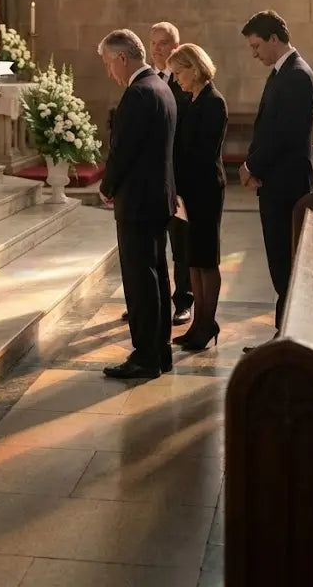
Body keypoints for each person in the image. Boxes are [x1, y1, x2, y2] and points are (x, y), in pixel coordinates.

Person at [98, 29, 177, 380]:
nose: (108, 73)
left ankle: (145, 356)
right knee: (156, 275)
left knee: (140, 280)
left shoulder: (138, 94)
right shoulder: (162, 87)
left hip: (138, 200)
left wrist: (107, 185)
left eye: (107, 63)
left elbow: (123, 151)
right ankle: (160, 350)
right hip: (158, 197)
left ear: (121, 58)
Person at [240, 10, 313, 338]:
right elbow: (267, 128)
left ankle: (289, 336)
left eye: (257, 45)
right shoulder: (282, 72)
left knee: (286, 263)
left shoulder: (296, 75)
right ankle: (283, 332)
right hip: (276, 181)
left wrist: (251, 167)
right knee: (279, 263)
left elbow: (284, 135)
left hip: (286, 185)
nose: (254, 53)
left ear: (274, 38)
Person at [167, 43, 228, 350]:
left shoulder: (213, 102)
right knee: (191, 257)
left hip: (204, 190)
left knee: (206, 258)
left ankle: (208, 321)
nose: (176, 79)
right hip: (186, 191)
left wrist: (183, 186)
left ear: (194, 67)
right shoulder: (190, 99)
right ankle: (198, 325)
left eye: (179, 72)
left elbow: (203, 154)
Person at [149, 22, 193, 325]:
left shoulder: (185, 84)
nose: (157, 49)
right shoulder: (146, 79)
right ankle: (152, 300)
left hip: (177, 177)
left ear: (175, 47)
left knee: (181, 246)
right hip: (151, 178)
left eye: (163, 43)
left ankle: (183, 302)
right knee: (152, 244)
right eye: (153, 43)